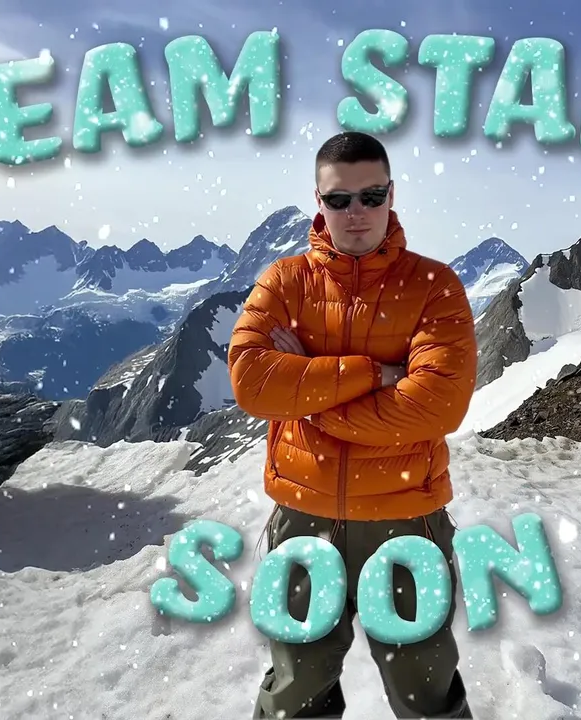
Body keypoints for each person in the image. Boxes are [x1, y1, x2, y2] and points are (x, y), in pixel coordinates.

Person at [227, 130, 478, 718]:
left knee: (426, 691)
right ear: (319, 201)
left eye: (372, 195)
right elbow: (252, 383)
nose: (356, 211)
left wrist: (307, 394)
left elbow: (438, 405)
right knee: (296, 690)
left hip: (406, 521)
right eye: (339, 199)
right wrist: (376, 373)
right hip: (304, 522)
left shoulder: (434, 287)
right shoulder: (283, 281)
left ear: (392, 194)